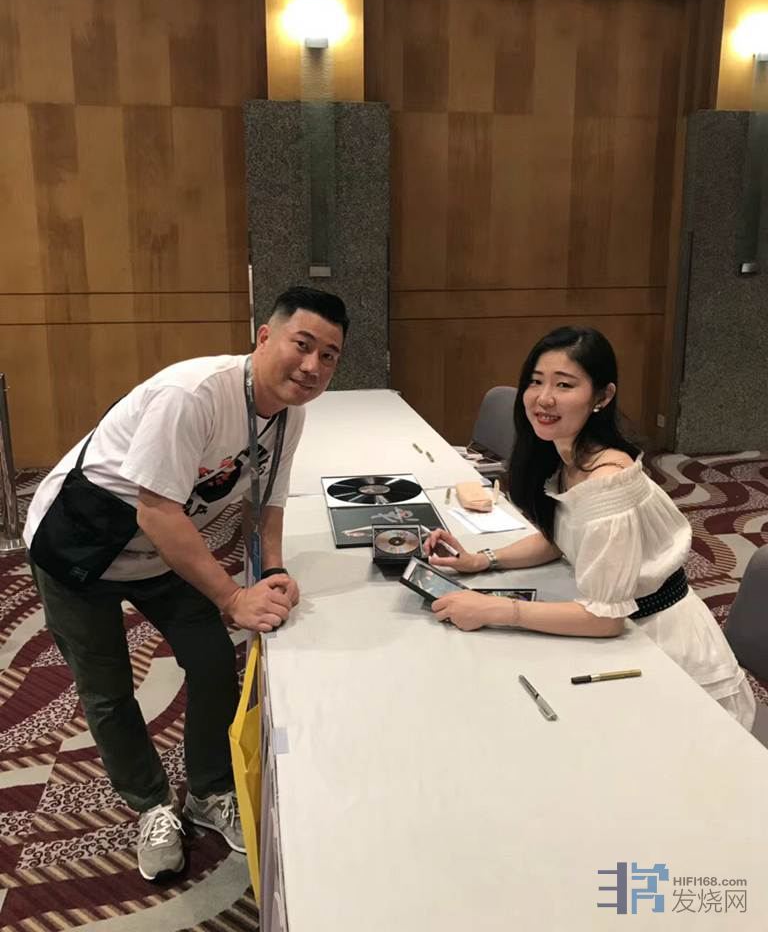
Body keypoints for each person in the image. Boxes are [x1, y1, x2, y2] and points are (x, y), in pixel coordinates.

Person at [23, 286, 349, 880]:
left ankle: (207, 789)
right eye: (302, 345)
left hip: (161, 554)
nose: (313, 366)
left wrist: (273, 570)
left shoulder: (289, 415)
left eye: (329, 356)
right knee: (107, 687)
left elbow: (267, 501)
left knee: (212, 661)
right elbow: (156, 511)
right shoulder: (194, 394)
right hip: (80, 542)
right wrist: (232, 596)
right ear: (264, 337)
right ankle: (151, 804)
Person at [423, 326, 755, 730]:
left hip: (663, 649)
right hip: (625, 630)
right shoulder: (568, 454)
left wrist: (495, 610)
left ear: (602, 396)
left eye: (564, 385)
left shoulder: (608, 483)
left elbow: (604, 619)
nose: (544, 398)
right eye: (536, 381)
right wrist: (482, 560)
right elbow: (561, 540)